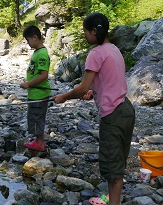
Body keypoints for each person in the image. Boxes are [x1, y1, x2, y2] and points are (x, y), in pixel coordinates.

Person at [54, 13, 135, 205]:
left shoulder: (95, 53)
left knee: (112, 167)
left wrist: (63, 97)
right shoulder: (113, 49)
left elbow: (82, 87)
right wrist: (94, 92)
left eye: (85, 31)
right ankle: (112, 199)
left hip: (113, 114)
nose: (84, 35)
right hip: (126, 109)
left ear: (93, 31)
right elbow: (109, 81)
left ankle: (113, 203)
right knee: (119, 161)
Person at [20, 25, 51, 151]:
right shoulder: (38, 52)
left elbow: (44, 75)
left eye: (28, 40)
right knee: (36, 116)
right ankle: (40, 141)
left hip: (39, 93)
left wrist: (29, 84)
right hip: (35, 93)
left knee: (37, 117)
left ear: (35, 37)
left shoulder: (42, 54)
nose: (27, 43)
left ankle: (39, 142)